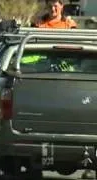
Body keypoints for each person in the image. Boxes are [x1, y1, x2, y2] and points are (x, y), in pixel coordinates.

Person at [33, 1, 94, 179]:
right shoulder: (38, 25)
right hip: (42, 75)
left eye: (57, 5)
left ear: (62, 7)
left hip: (68, 77)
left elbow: (78, 52)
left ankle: (88, 163)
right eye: (51, 5)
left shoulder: (69, 25)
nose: (53, 9)